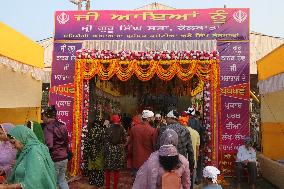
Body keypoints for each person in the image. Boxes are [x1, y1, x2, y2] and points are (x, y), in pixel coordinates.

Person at [42, 105, 69, 189]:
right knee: (62, 180)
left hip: (55, 159)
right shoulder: (63, 125)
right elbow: (66, 141)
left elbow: (48, 145)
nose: (42, 119)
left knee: (52, 182)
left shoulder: (48, 127)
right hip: (64, 157)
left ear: (47, 116)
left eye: (43, 117)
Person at [128, 110, 157, 179]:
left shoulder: (134, 128)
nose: (153, 119)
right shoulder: (152, 130)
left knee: (137, 182)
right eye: (152, 117)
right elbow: (154, 146)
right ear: (148, 119)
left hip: (136, 159)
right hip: (148, 160)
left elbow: (130, 145)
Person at [104, 115, 126, 189]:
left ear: (112, 120)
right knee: (116, 171)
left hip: (109, 150)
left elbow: (105, 139)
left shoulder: (108, 128)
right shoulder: (122, 128)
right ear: (119, 119)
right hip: (118, 150)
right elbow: (125, 139)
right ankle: (115, 187)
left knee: (108, 170)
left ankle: (107, 187)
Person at [182, 112, 200, 189]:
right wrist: (196, 160)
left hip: (182, 161)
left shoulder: (181, 131)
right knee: (191, 181)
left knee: (182, 180)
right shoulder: (196, 133)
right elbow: (197, 149)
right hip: (193, 161)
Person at [86, 115, 105, 188]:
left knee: (92, 166)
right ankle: (99, 182)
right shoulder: (102, 130)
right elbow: (104, 141)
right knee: (99, 166)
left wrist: (87, 150)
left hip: (91, 150)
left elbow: (87, 141)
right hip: (99, 150)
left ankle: (92, 181)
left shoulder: (90, 130)